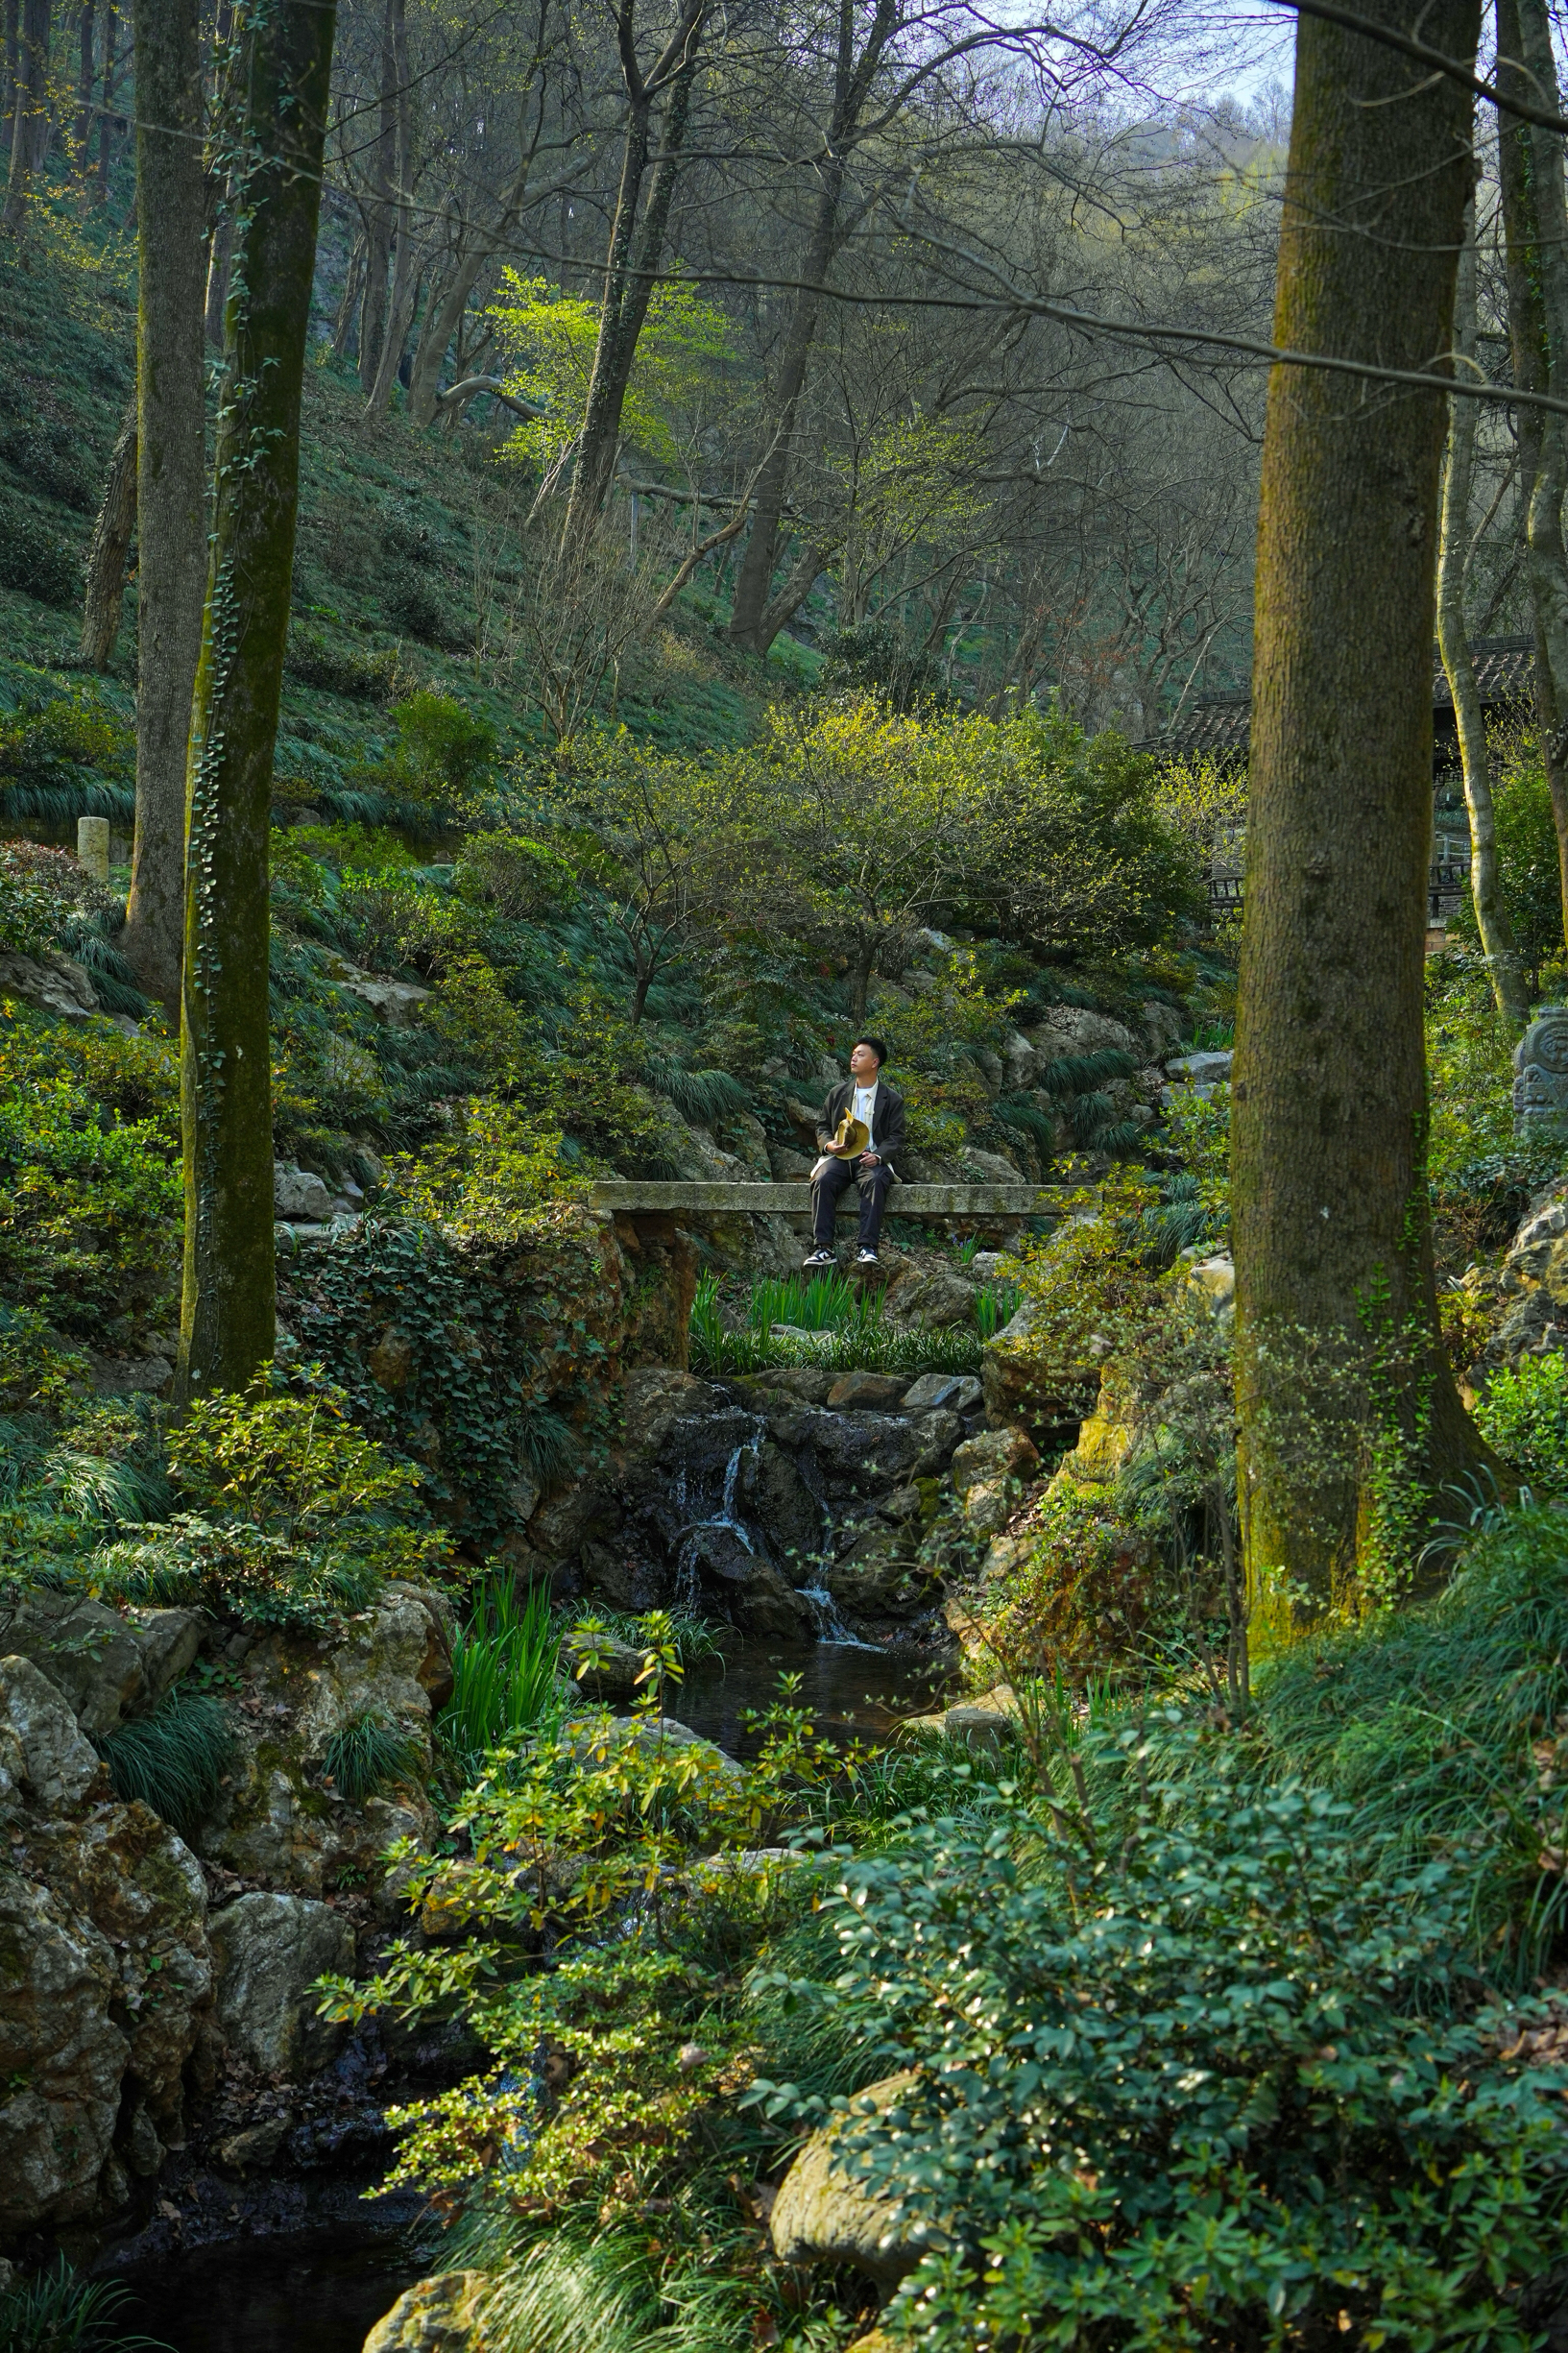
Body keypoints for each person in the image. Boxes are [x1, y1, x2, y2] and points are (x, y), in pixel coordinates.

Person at [804, 1036, 905, 1268]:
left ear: (875, 1062)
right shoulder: (838, 1093)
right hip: (839, 1157)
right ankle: (823, 1249)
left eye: (861, 1054)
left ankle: (867, 1247)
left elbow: (897, 1137)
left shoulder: (892, 1099)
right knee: (823, 1178)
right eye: (853, 1053)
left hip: (870, 1158)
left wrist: (878, 1155)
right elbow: (822, 1126)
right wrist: (829, 1145)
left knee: (877, 1179)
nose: (854, 1057)